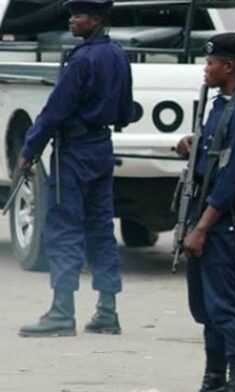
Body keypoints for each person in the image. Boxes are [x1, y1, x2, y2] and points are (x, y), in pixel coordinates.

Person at [18, 0, 133, 338]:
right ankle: (107, 312)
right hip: (101, 148)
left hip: (75, 151)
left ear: (96, 20)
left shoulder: (82, 59)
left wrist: (29, 150)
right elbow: (126, 110)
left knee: (64, 228)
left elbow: (55, 111)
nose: (71, 21)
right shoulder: (118, 55)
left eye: (78, 15)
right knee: (100, 228)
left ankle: (62, 313)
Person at [175, 33, 235, 392]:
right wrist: (191, 146)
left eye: (211, 62)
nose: (206, 68)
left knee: (225, 303)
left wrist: (201, 229)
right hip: (201, 212)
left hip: (218, 219)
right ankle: (213, 377)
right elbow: (214, 156)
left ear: (229, 66)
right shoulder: (218, 105)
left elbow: (232, 179)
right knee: (204, 306)